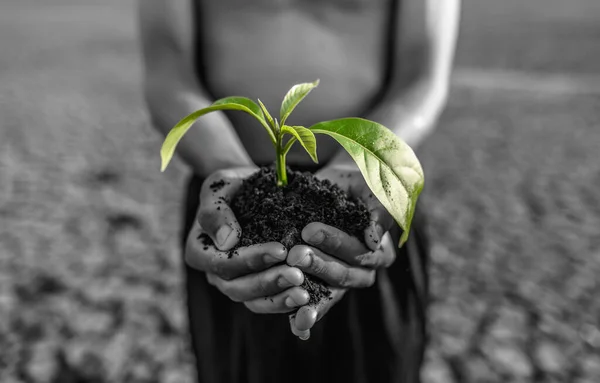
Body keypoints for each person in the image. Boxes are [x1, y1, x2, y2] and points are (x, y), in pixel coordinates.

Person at [140, 0, 460, 382]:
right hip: (235, 196)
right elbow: (169, 70)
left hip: (364, 192)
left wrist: (358, 167)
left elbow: (420, 75)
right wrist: (225, 166)